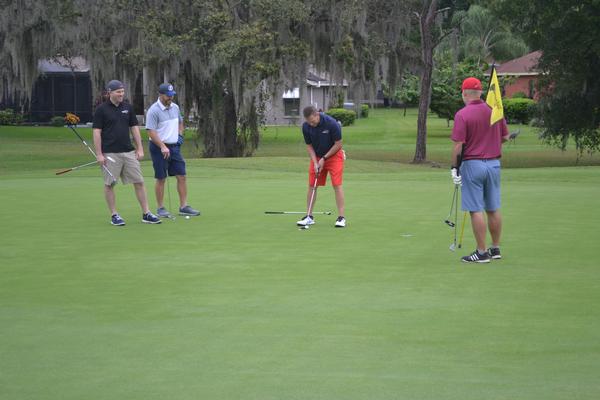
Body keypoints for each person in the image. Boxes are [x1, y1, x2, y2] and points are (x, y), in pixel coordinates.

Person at [450, 77, 510, 263]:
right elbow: (505, 137)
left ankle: (481, 252)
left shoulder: (463, 114)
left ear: (465, 93)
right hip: (493, 164)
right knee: (492, 208)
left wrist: (454, 168)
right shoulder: (494, 111)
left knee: (475, 209)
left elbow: (459, 145)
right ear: (480, 93)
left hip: (473, 165)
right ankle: (495, 248)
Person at [92, 80, 161, 226]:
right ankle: (114, 215)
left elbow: (134, 129)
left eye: (122, 91)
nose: (121, 94)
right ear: (109, 92)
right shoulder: (101, 110)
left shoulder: (128, 108)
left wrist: (140, 148)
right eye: (118, 92)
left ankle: (146, 213)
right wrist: (99, 154)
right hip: (110, 153)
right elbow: (96, 133)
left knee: (139, 182)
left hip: (128, 152)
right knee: (110, 184)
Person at [145, 83, 200, 218]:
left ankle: (183, 206)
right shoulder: (154, 110)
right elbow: (151, 132)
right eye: (168, 95)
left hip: (174, 147)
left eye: (172, 95)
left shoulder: (175, 107)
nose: (170, 97)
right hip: (158, 148)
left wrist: (180, 135)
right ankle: (160, 208)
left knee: (181, 176)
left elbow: (180, 122)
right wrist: (163, 146)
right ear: (161, 95)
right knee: (161, 178)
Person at [297, 106, 346, 228]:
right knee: (312, 185)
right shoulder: (306, 127)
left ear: (317, 114)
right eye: (309, 122)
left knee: (336, 184)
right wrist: (315, 162)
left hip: (334, 156)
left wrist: (324, 158)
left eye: (312, 121)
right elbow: (309, 146)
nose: (311, 124)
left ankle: (341, 218)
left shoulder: (331, 123)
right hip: (317, 157)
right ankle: (309, 216)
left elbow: (338, 144)